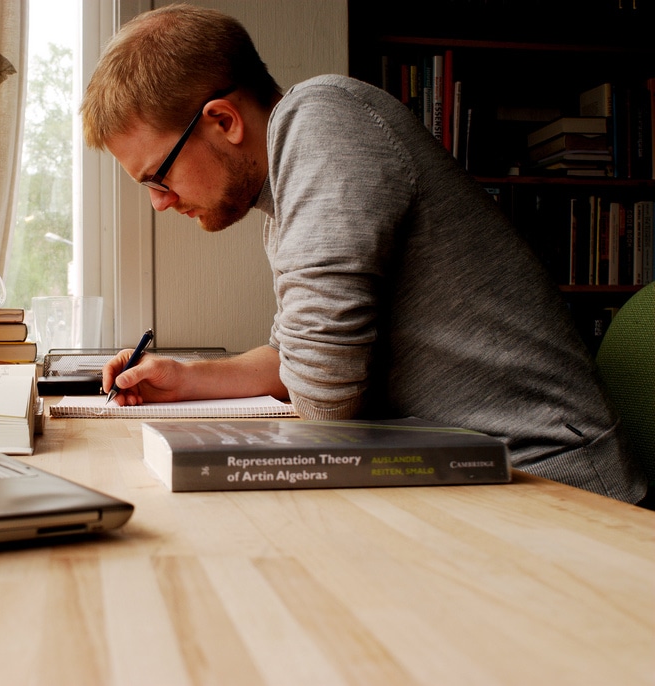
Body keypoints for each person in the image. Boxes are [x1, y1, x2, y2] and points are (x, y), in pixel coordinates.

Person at [80, 4, 646, 503]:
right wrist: (186, 378)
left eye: (158, 175)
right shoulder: (285, 188)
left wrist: (304, 369)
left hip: (551, 485)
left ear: (223, 121)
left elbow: (324, 391)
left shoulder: (322, 121)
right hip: (465, 472)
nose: (160, 202)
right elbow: (301, 358)